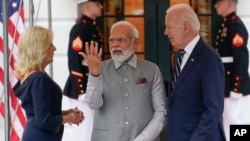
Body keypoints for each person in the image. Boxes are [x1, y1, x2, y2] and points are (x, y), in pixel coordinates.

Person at [79, 21, 167, 141]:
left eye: (121, 40)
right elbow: (93, 104)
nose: (115, 44)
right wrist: (94, 74)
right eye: (111, 40)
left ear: (135, 42)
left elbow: (161, 112)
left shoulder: (152, 70)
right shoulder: (99, 68)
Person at [165, 4, 225, 141]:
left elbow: (214, 109)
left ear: (185, 27)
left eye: (169, 27)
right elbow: (181, 89)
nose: (166, 32)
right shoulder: (179, 55)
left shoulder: (209, 58)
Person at [13, 26, 84, 141]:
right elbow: (44, 120)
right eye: (50, 44)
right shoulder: (39, 78)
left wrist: (66, 113)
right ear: (39, 48)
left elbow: (39, 113)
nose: (54, 48)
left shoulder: (31, 76)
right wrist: (71, 117)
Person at [63, 0, 103, 140]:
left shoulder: (92, 27)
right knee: (86, 131)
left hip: (92, 84)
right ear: (87, 6)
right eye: (97, 4)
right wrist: (82, 90)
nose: (101, 6)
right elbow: (74, 60)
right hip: (82, 87)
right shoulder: (80, 28)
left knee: (93, 129)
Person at [214, 0, 250, 140]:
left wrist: (237, 87)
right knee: (228, 124)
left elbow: (241, 59)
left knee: (236, 124)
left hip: (233, 85)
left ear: (229, 3)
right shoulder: (226, 24)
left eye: (219, 2)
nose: (216, 5)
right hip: (226, 83)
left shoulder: (235, 25)